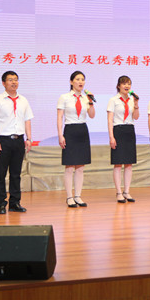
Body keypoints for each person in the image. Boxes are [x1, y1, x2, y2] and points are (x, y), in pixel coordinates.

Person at [0, 71, 33, 214]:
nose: (14, 82)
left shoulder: (23, 100)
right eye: (10, 80)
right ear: (3, 83)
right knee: (0, 173)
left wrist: (29, 138)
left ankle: (15, 202)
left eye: (16, 80)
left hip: (19, 140)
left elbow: (27, 120)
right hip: (3, 140)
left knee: (16, 173)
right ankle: (1, 203)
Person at [57, 71, 95, 208]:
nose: (80, 82)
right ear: (71, 82)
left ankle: (78, 196)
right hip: (70, 130)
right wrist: (60, 135)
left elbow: (92, 115)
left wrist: (91, 102)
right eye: (77, 79)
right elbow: (59, 117)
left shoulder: (85, 98)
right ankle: (69, 197)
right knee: (69, 166)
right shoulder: (64, 97)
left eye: (82, 79)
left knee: (80, 167)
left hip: (82, 130)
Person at [107, 76, 139, 203]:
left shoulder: (131, 100)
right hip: (118, 130)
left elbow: (136, 117)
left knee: (129, 164)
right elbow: (110, 120)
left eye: (129, 84)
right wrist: (111, 137)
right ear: (118, 86)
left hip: (129, 130)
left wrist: (136, 104)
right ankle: (119, 192)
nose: (127, 86)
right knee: (118, 163)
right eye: (124, 83)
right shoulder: (113, 100)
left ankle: (127, 191)